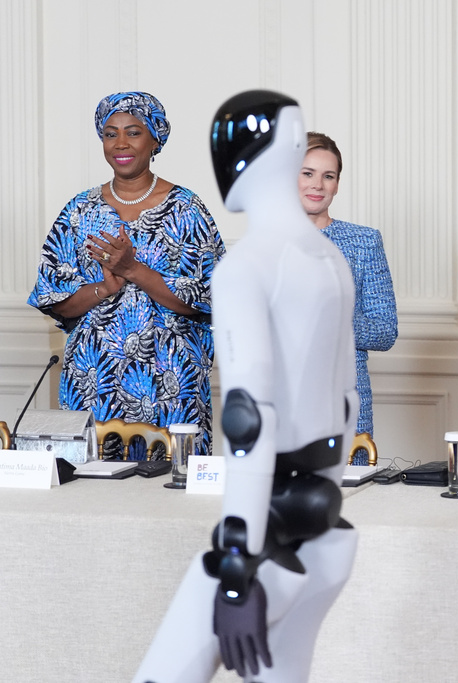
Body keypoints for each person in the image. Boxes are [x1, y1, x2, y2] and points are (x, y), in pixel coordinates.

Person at [134, 90, 359, 681]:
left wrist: (237, 567)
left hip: (264, 543)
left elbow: (247, 420)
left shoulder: (246, 266)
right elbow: (345, 404)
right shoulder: (329, 259)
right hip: (325, 527)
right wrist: (322, 499)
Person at [27, 91, 224, 455]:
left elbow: (208, 300)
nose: (120, 143)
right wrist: (105, 287)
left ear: (155, 139)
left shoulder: (187, 209)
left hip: (171, 383)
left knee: (171, 497)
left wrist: (133, 269)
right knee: (91, 498)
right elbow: (55, 301)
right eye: (110, 133)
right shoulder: (79, 210)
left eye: (133, 132)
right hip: (93, 379)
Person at [299, 131, 397, 462]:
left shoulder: (363, 241)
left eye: (328, 176)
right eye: (307, 173)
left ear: (337, 184)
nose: (318, 185)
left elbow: (385, 331)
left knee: (349, 502)